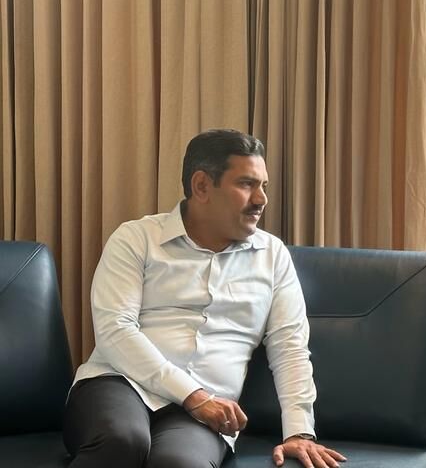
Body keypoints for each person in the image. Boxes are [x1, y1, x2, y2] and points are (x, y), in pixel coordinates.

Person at [63, 129, 345, 468]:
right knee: (122, 440)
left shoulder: (273, 256)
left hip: (208, 409)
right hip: (120, 384)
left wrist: (299, 432)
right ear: (201, 186)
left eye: (263, 186)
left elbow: (290, 346)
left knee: (180, 464)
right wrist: (193, 396)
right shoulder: (136, 238)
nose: (261, 199)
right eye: (247, 184)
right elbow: (115, 329)